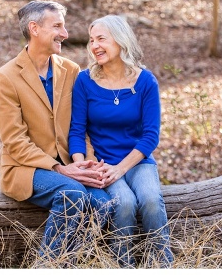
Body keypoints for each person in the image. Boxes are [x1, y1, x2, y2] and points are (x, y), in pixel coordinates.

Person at [0, 0, 112, 260]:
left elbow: (81, 126)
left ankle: (72, 264)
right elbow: (14, 141)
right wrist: (59, 169)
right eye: (57, 26)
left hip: (70, 163)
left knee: (104, 202)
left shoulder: (71, 70)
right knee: (71, 194)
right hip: (25, 169)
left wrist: (87, 164)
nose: (65, 34)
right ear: (34, 28)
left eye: (64, 26)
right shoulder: (5, 77)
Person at [68, 15, 173, 268]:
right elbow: (76, 130)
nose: (94, 46)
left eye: (101, 39)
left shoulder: (145, 81)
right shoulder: (85, 81)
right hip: (102, 164)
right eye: (92, 40)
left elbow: (151, 136)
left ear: (121, 40)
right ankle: (122, 265)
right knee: (123, 203)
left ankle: (161, 264)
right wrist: (82, 167)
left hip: (138, 162)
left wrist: (121, 169)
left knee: (149, 199)